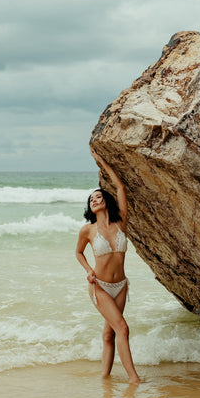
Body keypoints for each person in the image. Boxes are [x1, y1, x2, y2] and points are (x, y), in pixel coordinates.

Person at [75, 149, 140, 385]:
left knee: (109, 333)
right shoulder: (88, 231)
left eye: (98, 197)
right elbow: (78, 253)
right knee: (122, 328)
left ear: (106, 201)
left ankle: (105, 379)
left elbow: (121, 187)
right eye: (91, 199)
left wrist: (101, 161)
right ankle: (134, 379)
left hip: (121, 286)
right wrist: (89, 271)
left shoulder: (121, 223)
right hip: (99, 287)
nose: (94, 200)